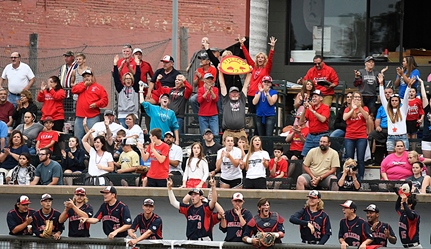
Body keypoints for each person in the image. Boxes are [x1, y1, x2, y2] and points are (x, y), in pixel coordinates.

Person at [240, 36, 277, 134]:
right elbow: (247, 57)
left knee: (260, 115)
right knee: (254, 116)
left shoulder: (266, 69)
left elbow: (270, 60)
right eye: (258, 57)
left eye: (262, 58)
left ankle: (261, 134)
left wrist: (272, 48)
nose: (260, 59)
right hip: (251, 94)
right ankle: (256, 135)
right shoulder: (253, 67)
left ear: (264, 59)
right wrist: (242, 45)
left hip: (261, 94)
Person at [71, 69, 109, 141]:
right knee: (78, 138)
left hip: (92, 117)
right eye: (84, 77)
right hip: (80, 117)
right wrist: (84, 85)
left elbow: (105, 100)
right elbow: (73, 90)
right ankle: (81, 152)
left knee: (92, 137)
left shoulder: (98, 87)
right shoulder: (81, 85)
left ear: (92, 77)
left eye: (88, 76)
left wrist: (96, 104)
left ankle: (91, 152)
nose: (86, 78)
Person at [378, 73, 410, 153]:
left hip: (402, 136)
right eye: (392, 100)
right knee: (391, 157)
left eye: (396, 100)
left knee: (404, 158)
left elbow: (406, 98)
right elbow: (382, 97)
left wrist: (409, 87)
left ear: (399, 102)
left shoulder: (403, 109)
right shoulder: (388, 110)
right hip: (391, 137)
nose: (394, 102)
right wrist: (381, 84)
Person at [343, 91, 369, 180]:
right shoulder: (347, 108)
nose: (357, 99)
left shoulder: (365, 108)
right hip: (349, 136)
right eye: (355, 97)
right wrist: (353, 109)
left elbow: (366, 117)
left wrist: (359, 107)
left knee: (360, 159)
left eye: (359, 97)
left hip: (361, 136)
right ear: (352, 99)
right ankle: (349, 178)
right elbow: (345, 117)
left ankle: (360, 179)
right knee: (349, 159)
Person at [219, 69, 251, 141]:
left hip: (241, 131)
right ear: (229, 94)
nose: (234, 94)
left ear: (239, 94)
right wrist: (220, 71)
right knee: (227, 151)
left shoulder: (242, 99)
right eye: (232, 93)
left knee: (245, 149)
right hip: (228, 132)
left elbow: (246, 85)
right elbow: (222, 85)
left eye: (236, 92)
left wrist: (249, 72)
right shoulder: (226, 100)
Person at [299, 89, 330, 157]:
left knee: (320, 156)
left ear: (321, 98)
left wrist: (313, 111)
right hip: (310, 135)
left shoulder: (325, 107)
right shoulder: (310, 108)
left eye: (316, 96)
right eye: (313, 97)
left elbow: (323, 119)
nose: (313, 98)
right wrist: (304, 109)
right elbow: (301, 122)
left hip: (321, 135)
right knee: (305, 156)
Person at [189, 51, 218, 121]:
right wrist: (198, 78)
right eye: (200, 59)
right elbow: (195, 84)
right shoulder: (198, 70)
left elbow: (212, 83)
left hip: (211, 92)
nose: (201, 61)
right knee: (192, 100)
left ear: (208, 61)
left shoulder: (213, 70)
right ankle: (198, 118)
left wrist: (201, 78)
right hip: (201, 92)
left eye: (203, 59)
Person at [113, 58, 140, 127]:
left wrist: (137, 65)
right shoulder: (120, 89)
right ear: (123, 80)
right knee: (123, 134)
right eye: (126, 79)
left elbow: (137, 76)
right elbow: (116, 78)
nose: (128, 80)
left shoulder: (135, 88)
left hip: (133, 114)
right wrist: (115, 65)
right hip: (122, 114)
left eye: (130, 78)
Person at [368, 87, 392, 159]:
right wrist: (377, 126)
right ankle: (370, 156)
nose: (387, 94)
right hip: (383, 129)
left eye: (389, 92)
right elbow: (378, 119)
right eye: (385, 93)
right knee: (371, 135)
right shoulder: (381, 108)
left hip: (393, 130)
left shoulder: (398, 106)